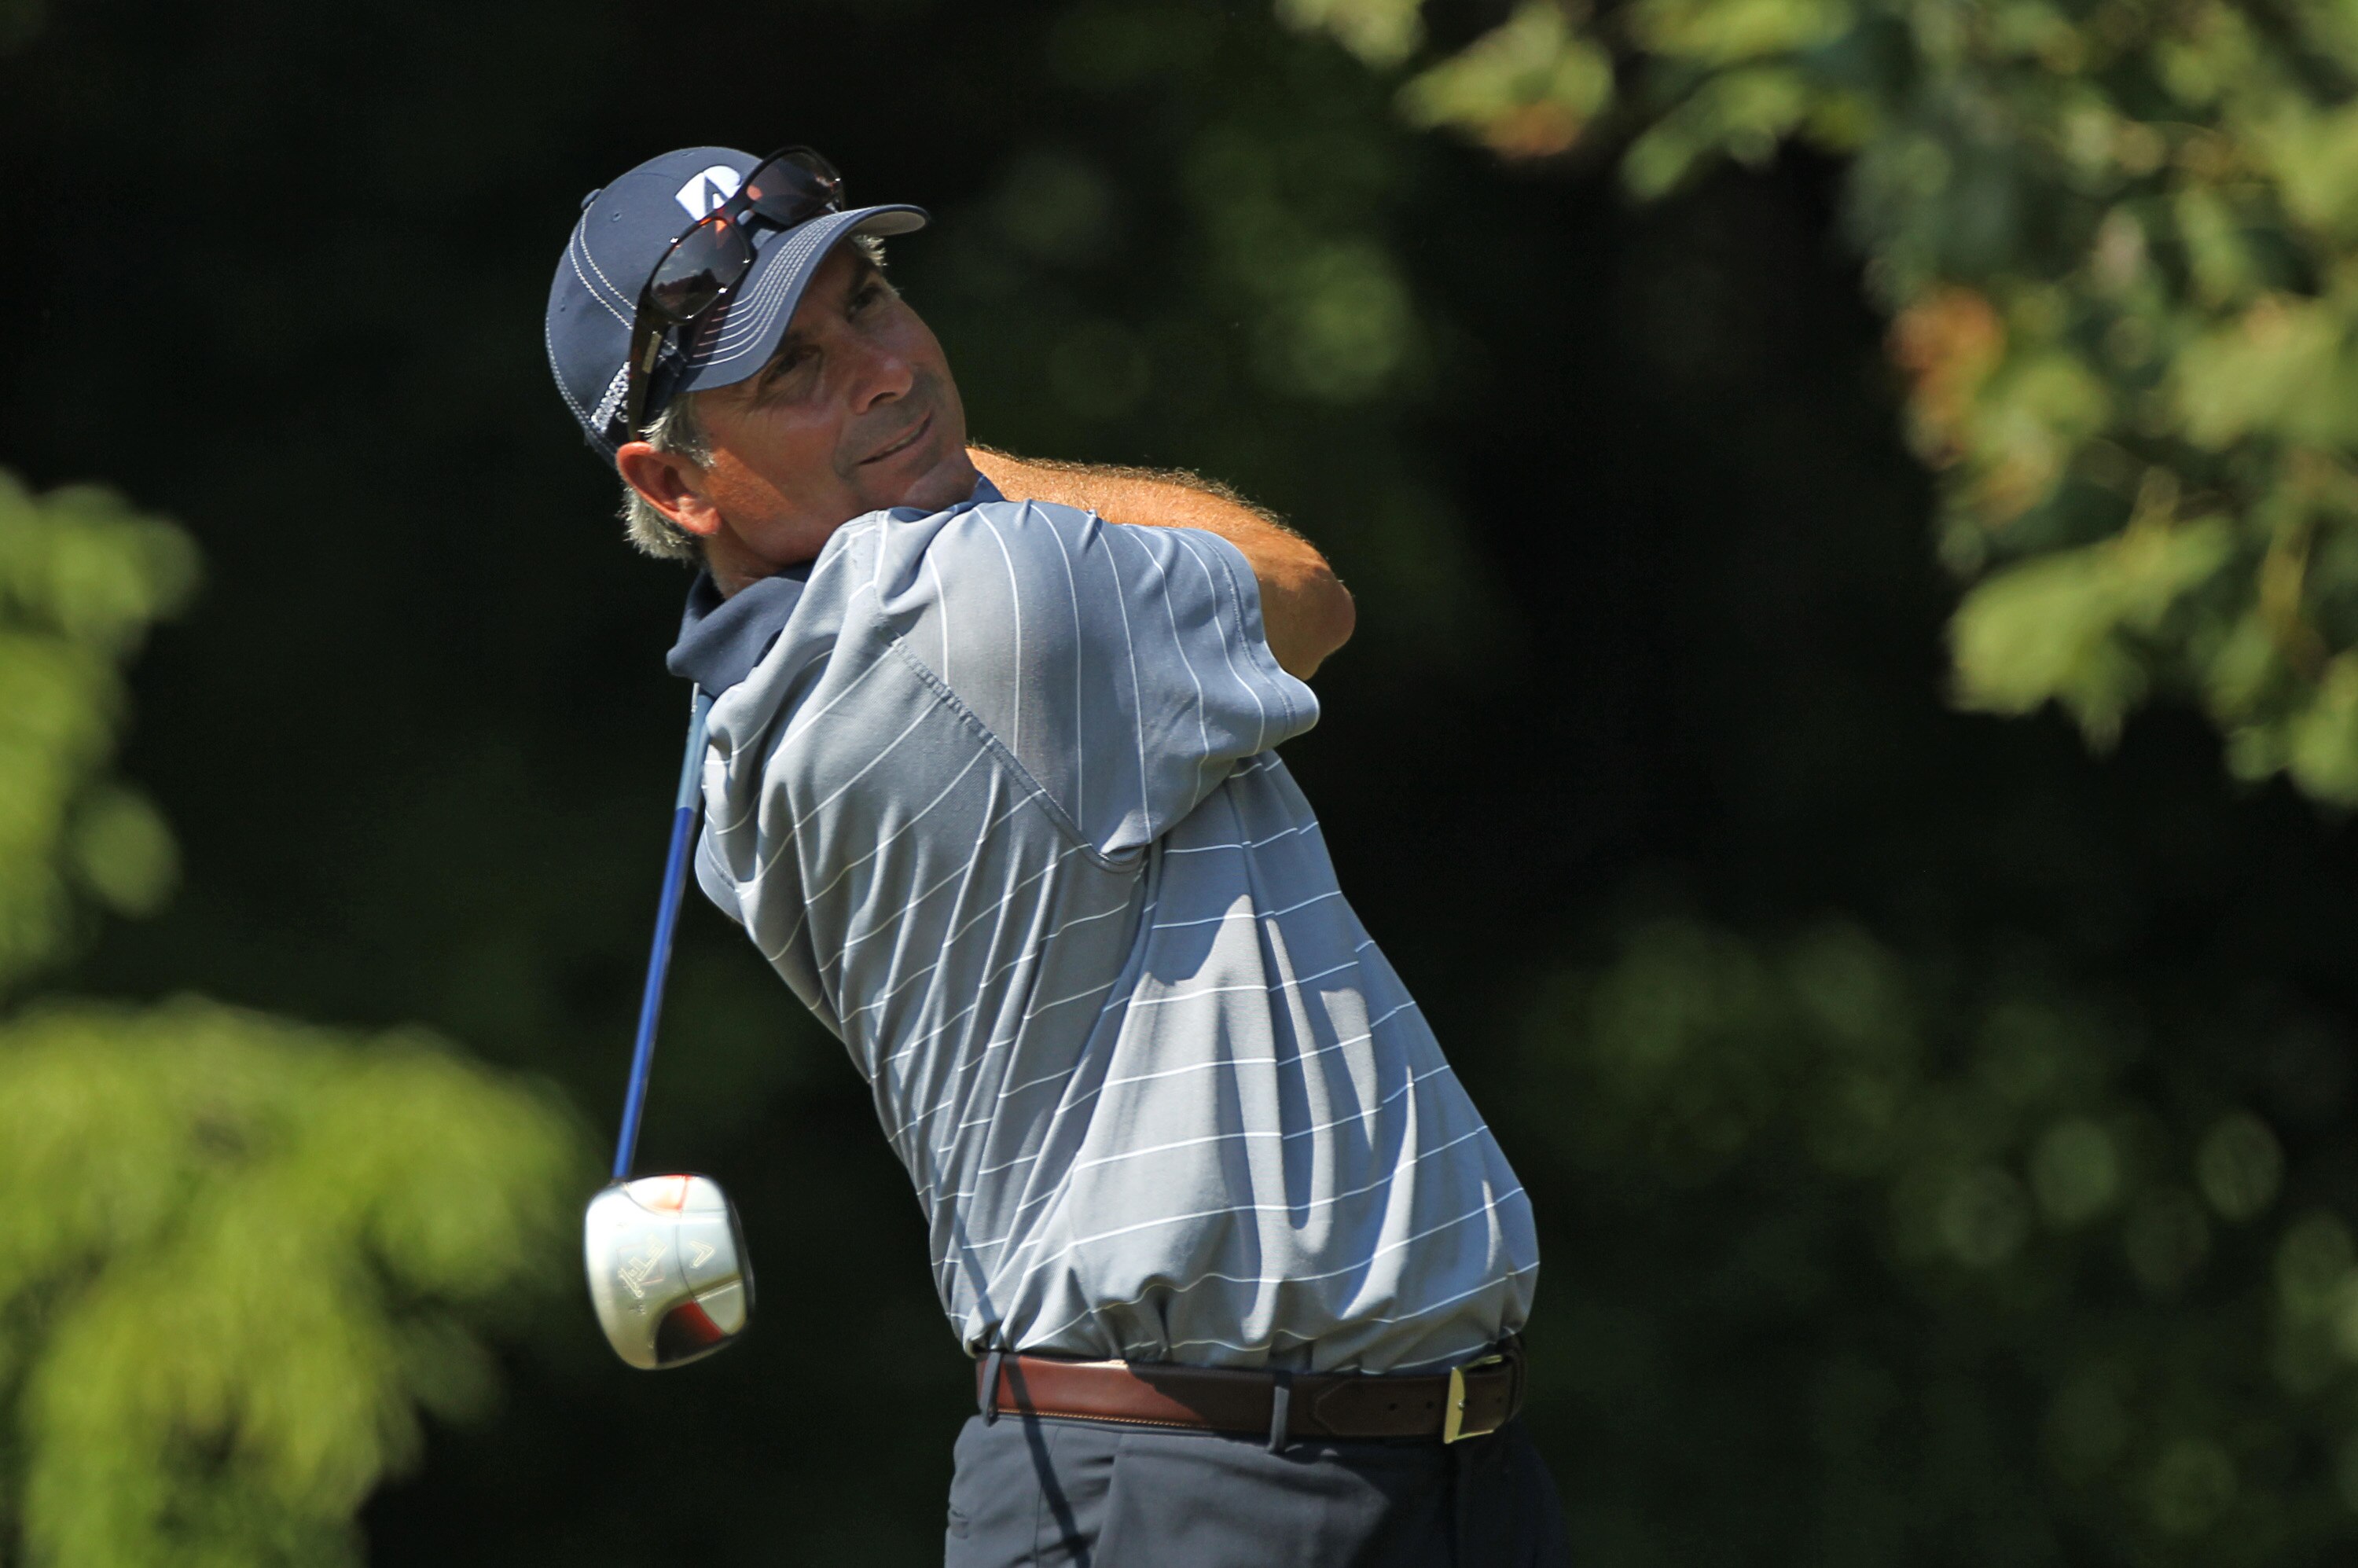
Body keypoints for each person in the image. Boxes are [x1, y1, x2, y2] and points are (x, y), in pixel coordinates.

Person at [545, 143, 1565, 1566]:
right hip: (1199, 1495)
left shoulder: (750, 729)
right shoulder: (969, 597)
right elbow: (1307, 594)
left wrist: (898, 467)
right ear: (674, 478)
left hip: (1348, 1472)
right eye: (793, 370)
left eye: (871, 303)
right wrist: (957, 475)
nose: (886, 371)